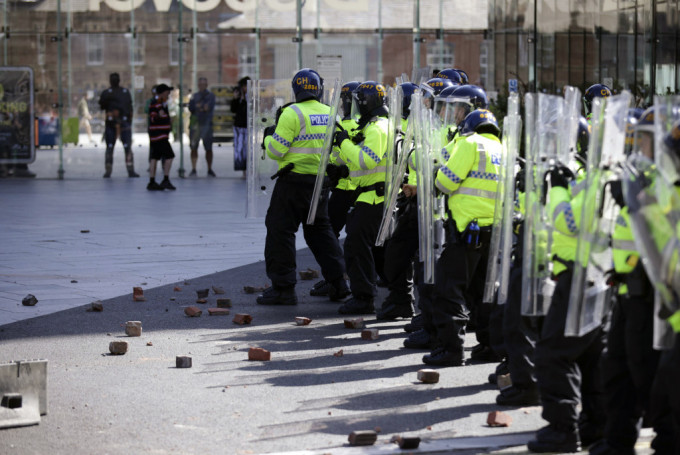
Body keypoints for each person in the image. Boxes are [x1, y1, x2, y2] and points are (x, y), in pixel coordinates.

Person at [257, 68, 349, 306]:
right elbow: (338, 153)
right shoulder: (331, 114)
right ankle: (339, 283)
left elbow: (276, 150)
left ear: (296, 90)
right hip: (319, 183)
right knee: (320, 232)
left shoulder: (291, 113)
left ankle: (284, 289)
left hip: (292, 183)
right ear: (318, 89)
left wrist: (268, 136)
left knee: (281, 231)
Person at [422, 108, 502, 366]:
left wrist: (435, 172)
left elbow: (446, 182)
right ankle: (491, 346)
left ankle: (451, 349)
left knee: (449, 290)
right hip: (494, 232)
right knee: (484, 291)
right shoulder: (504, 150)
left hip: (467, 230)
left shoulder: (470, 144)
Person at [332, 81, 391, 315]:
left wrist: (343, 142)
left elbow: (366, 160)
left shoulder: (377, 128)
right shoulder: (377, 125)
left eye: (358, 102)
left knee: (356, 245)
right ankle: (394, 295)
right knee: (374, 248)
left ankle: (364, 297)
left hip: (373, 198)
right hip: (370, 196)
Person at [98, 72, 139, 178]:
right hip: (117, 123)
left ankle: (112, 170)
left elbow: (129, 109)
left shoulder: (109, 93)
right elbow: (130, 109)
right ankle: (126, 170)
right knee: (118, 147)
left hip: (119, 123)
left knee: (119, 147)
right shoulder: (123, 92)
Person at [147, 83, 176, 191]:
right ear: (163, 92)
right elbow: (153, 117)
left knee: (155, 157)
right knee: (170, 155)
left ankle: (152, 181)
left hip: (158, 135)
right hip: (159, 136)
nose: (169, 93)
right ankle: (166, 179)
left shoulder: (162, 103)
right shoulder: (156, 103)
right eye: (167, 91)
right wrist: (160, 114)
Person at [188, 77, 216, 177]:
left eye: (204, 84)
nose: (202, 86)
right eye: (200, 84)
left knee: (208, 148)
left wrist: (199, 106)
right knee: (193, 147)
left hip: (207, 125)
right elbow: (191, 107)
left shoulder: (211, 96)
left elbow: (208, 107)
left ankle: (209, 168)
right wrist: (201, 107)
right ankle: (194, 168)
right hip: (196, 125)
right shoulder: (194, 96)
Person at [230, 76, 250, 179]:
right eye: (243, 86)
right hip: (239, 127)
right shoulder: (238, 98)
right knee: (240, 149)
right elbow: (233, 110)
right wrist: (235, 98)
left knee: (249, 149)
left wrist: (245, 100)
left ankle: (249, 170)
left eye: (246, 86)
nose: (244, 88)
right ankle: (244, 171)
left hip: (249, 127)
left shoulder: (251, 97)